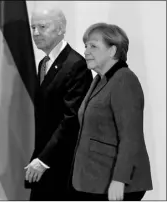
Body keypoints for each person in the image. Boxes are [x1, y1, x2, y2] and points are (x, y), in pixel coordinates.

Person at [71, 22, 153, 201]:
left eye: (93, 46)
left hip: (117, 183)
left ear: (112, 51)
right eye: (86, 46)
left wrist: (119, 179)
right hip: (94, 178)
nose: (86, 51)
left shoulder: (124, 80)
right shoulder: (100, 80)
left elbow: (131, 137)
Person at [24, 6, 93, 200]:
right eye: (33, 27)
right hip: (44, 163)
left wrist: (44, 160)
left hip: (62, 167)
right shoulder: (44, 63)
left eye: (43, 27)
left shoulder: (76, 65)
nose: (36, 33)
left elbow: (72, 120)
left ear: (61, 28)